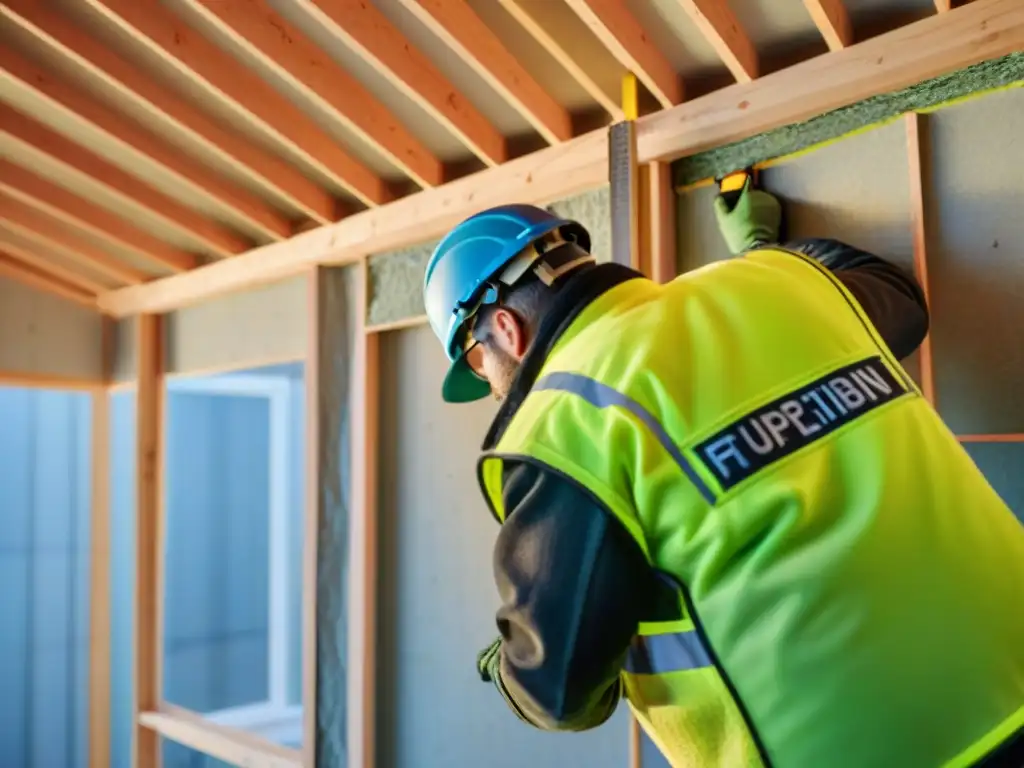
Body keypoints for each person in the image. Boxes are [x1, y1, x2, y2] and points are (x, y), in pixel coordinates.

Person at [420, 181, 1024, 768]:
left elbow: (556, 693)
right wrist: (763, 252)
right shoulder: (777, 279)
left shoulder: (561, 423)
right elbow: (899, 301)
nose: (491, 388)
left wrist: (503, 662)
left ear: (504, 328)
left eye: (476, 363)